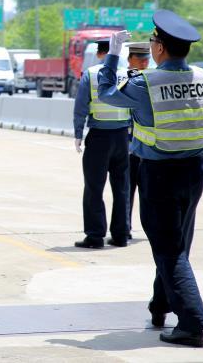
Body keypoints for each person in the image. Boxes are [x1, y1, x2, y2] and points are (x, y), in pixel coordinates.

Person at [98, 11, 203, 348]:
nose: (150, 47)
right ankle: (160, 306)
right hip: (195, 169)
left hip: (160, 173)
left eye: (152, 43)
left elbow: (106, 91)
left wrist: (115, 54)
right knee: (176, 243)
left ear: (160, 48)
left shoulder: (146, 84)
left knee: (168, 249)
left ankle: (192, 324)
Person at [73, 39, 132, 249]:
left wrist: (78, 133)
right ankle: (121, 234)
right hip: (123, 138)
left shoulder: (90, 74)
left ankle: (96, 236)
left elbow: (81, 107)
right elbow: (135, 106)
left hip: (99, 138)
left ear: (100, 53)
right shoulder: (128, 74)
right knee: (122, 188)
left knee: (94, 189)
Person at [125, 42, 151, 241]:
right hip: (126, 144)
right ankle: (124, 227)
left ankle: (150, 227)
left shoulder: (152, 81)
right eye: (139, 59)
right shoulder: (122, 80)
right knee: (126, 189)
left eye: (146, 59)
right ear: (129, 59)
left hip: (145, 146)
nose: (143, 63)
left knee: (148, 192)